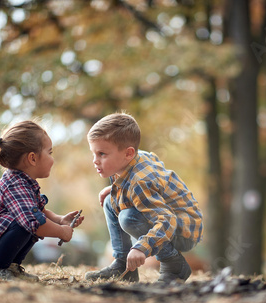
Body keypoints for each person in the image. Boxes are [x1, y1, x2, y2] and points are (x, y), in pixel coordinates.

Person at [85, 112, 203, 283]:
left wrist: (142, 248)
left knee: (128, 218)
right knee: (111, 201)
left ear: (128, 153)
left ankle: (174, 264)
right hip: (170, 220)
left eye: (102, 154)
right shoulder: (132, 160)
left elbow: (167, 219)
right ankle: (122, 265)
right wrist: (115, 189)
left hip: (183, 229)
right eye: (94, 153)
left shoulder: (140, 183)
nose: (95, 160)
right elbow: (154, 180)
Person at [0, 120, 84, 281]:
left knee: (31, 217)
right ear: (32, 158)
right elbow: (35, 222)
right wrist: (61, 232)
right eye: (49, 153)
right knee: (28, 221)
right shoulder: (15, 185)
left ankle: (9, 267)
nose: (52, 159)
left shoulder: (24, 183)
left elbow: (41, 211)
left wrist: (60, 220)